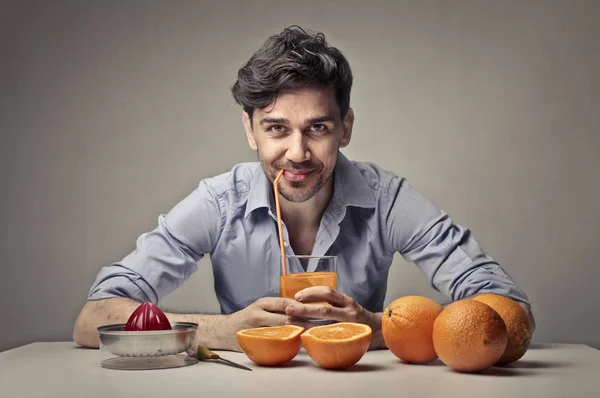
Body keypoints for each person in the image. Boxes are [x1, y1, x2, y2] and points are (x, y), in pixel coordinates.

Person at [73, 25, 534, 351]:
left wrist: (379, 327)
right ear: (250, 131)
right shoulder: (219, 201)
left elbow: (510, 311)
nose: (297, 152)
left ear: (345, 128)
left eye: (317, 127)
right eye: (276, 128)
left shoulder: (388, 199)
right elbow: (93, 320)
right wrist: (220, 331)